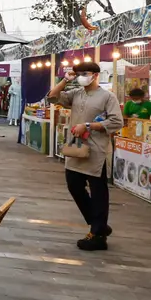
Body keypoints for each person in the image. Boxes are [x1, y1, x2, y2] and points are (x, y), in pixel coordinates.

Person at [47, 61, 123, 251]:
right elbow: (53, 97)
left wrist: (88, 126)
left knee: (98, 192)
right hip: (76, 148)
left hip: (96, 150)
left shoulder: (107, 96)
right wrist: (66, 79)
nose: (82, 76)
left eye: (85, 73)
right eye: (79, 73)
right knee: (74, 185)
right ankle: (99, 225)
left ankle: (97, 234)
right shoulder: (76, 94)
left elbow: (116, 122)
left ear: (96, 75)